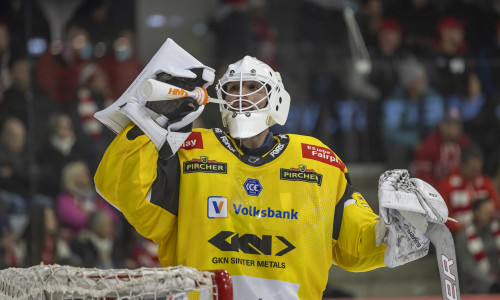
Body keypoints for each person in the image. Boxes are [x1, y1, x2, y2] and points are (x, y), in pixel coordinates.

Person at [94, 41, 451, 299]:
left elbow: (353, 243)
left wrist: (401, 228)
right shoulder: (191, 149)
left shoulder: (318, 161)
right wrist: (150, 126)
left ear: (276, 98)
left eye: (253, 88)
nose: (241, 95)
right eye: (232, 88)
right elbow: (128, 195)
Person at [439, 144, 500, 234]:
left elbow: (497, 207)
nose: (476, 173)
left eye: (478, 169)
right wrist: (460, 226)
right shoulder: (446, 186)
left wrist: (488, 214)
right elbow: (441, 216)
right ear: (462, 165)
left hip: (486, 232)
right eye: (473, 169)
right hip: (458, 234)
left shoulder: (486, 183)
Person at [454, 197, 500, 294]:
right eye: (487, 212)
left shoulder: (497, 231)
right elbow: (468, 266)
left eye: (492, 211)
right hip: (477, 288)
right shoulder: (463, 236)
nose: (491, 215)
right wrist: (493, 283)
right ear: (476, 213)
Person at [414, 112, 470, 189]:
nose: (453, 128)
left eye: (456, 125)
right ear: (441, 126)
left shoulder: (465, 143)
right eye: (449, 124)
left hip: (461, 190)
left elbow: (472, 172)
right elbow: (422, 176)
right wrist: (441, 190)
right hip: (435, 192)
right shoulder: (429, 145)